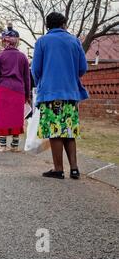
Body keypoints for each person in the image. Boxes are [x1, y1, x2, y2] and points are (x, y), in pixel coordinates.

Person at [32, 12, 89, 180]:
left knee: (54, 130)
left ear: (48, 25)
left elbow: (35, 70)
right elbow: (83, 68)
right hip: (71, 93)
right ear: (64, 23)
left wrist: (42, 83)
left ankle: (58, 169)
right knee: (69, 129)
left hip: (50, 93)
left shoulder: (42, 41)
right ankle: (74, 169)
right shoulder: (74, 41)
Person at [0, 26, 31, 152]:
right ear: (16, 41)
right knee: (17, 116)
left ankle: (2, 145)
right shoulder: (23, 57)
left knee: (2, 116)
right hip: (19, 90)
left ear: (4, 41)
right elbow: (27, 78)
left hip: (2, 89)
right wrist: (27, 94)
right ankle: (15, 145)